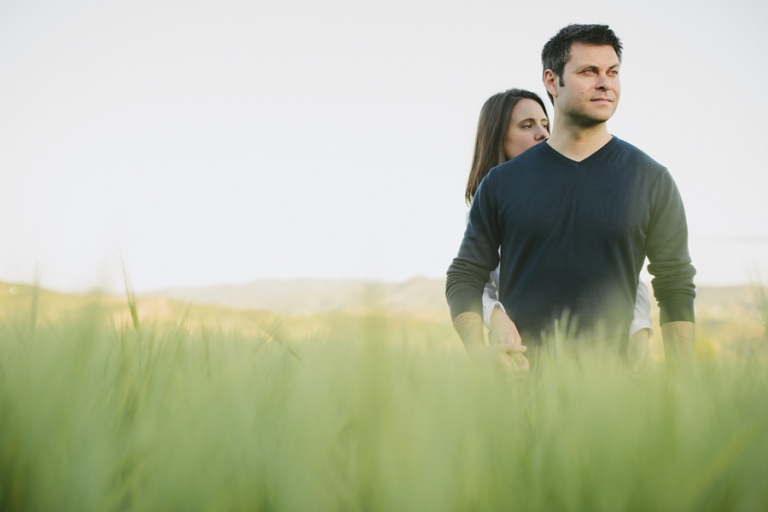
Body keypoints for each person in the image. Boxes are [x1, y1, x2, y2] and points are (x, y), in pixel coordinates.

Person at [446, 24, 695, 371]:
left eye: (612, 72)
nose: (605, 83)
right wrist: (479, 352)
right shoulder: (501, 183)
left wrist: (681, 379)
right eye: (588, 71)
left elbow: (675, 283)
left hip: (613, 386)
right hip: (521, 384)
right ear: (552, 81)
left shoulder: (652, 179)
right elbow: (465, 275)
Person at [464, 88, 652, 368]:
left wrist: (639, 328)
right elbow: (474, 280)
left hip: (599, 355)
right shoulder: (490, 202)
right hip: (523, 353)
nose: (542, 133)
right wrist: (496, 316)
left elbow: (623, 267)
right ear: (498, 138)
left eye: (545, 124)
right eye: (527, 126)